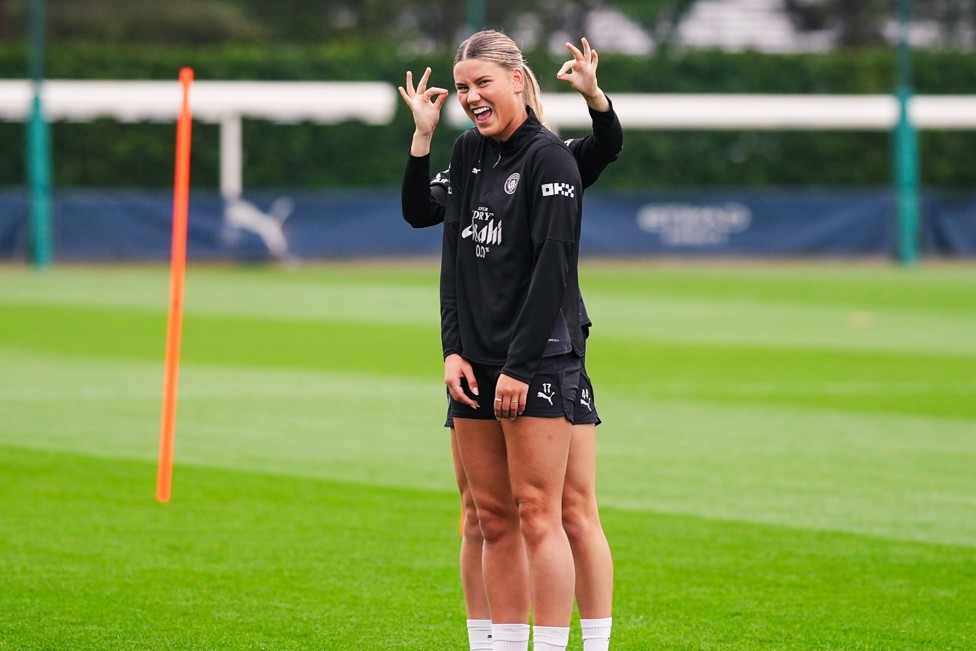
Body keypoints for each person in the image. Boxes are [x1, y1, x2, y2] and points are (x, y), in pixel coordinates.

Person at [399, 37, 619, 651]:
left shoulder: (551, 159)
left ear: (518, 80)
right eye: (462, 87)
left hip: (543, 360)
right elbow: (433, 231)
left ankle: (581, 644)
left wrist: (594, 96)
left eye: (482, 84)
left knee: (553, 511)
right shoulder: (469, 152)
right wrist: (421, 137)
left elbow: (555, 264)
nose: (469, 97)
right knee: (486, 516)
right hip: (475, 359)